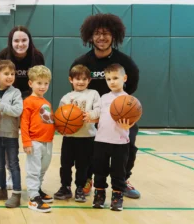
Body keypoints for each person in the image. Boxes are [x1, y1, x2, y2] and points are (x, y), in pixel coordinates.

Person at [71, 13, 140, 199]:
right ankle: (87, 179)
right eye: (97, 33)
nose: (101, 37)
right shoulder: (82, 62)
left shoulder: (124, 62)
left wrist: (120, 105)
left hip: (119, 115)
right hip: (92, 114)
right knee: (88, 148)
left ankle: (123, 179)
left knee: (129, 145)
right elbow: (76, 88)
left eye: (106, 33)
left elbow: (132, 85)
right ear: (90, 36)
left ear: (114, 35)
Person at [0, 25, 45, 189]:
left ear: (29, 40)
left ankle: (37, 176)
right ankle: (11, 173)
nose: (20, 43)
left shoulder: (37, 57)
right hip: (10, 97)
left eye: (24, 40)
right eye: (16, 40)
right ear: (11, 42)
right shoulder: (3, 56)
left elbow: (40, 82)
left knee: (34, 140)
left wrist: (30, 104)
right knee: (10, 139)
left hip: (31, 97)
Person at [53, 65, 101, 203]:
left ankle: (80, 188)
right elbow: (60, 115)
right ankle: (65, 187)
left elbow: (99, 109)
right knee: (65, 164)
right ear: (71, 80)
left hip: (87, 137)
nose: (81, 82)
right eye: (77, 79)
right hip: (69, 137)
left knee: (83, 165)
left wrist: (90, 114)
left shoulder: (93, 94)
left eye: (84, 79)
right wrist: (60, 126)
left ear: (89, 80)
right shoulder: (66, 98)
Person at [92, 63, 134, 211]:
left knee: (118, 172)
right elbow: (98, 117)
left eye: (115, 78)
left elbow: (133, 119)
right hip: (101, 141)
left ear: (125, 78)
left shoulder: (129, 100)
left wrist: (129, 125)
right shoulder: (103, 98)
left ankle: (117, 197)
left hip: (120, 142)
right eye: (109, 79)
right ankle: (99, 194)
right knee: (99, 170)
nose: (112, 82)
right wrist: (91, 118)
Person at [0, 60, 23, 208]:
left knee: (13, 164)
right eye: (6, 73)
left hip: (11, 134)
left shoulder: (16, 92)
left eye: (12, 74)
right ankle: (1, 190)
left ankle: (16, 193)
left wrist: (1, 106)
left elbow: (17, 110)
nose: (10, 76)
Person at [20, 65, 54, 213]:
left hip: (48, 141)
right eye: (39, 83)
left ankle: (38, 190)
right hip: (34, 141)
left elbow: (49, 121)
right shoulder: (28, 101)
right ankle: (33, 198)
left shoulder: (46, 102)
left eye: (46, 83)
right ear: (30, 83)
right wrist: (26, 142)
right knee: (33, 170)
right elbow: (24, 123)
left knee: (42, 169)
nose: (43, 86)